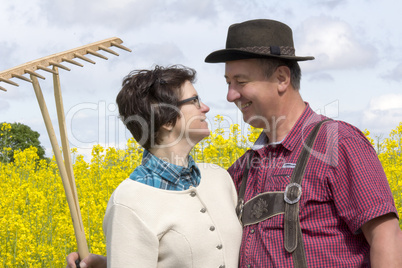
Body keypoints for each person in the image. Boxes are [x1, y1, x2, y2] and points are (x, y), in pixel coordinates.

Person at [67, 19, 402, 267]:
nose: (230, 96)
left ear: (282, 78)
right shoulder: (240, 170)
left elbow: (386, 236)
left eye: (240, 82)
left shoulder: (338, 142)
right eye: (228, 82)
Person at [67, 65, 242, 268]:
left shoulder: (220, 178)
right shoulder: (129, 202)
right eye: (194, 101)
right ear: (167, 119)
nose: (205, 107)